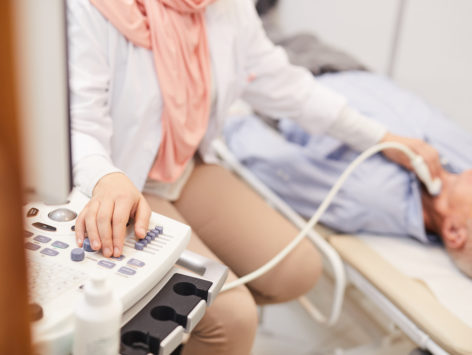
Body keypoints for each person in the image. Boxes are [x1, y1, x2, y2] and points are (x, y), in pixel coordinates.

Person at [67, 0, 442, 354]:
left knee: (299, 270)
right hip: (123, 183)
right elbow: (74, 123)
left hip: (184, 167)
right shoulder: (93, 11)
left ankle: (177, 332)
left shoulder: (225, 8)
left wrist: (381, 138)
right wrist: (105, 178)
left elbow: (287, 85)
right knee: (233, 319)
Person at [225, 70, 472, 277]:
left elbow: (269, 161)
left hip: (292, 85)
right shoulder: (463, 162)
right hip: (351, 69)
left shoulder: (366, 197)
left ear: (454, 232)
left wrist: (228, 113)